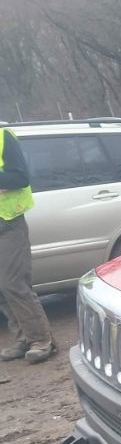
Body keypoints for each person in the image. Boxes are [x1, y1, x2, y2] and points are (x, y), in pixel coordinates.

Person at [0, 127, 55, 364]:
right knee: (1, 288)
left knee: (13, 283)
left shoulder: (3, 137)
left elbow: (19, 178)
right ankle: (23, 339)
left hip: (8, 222)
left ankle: (42, 340)